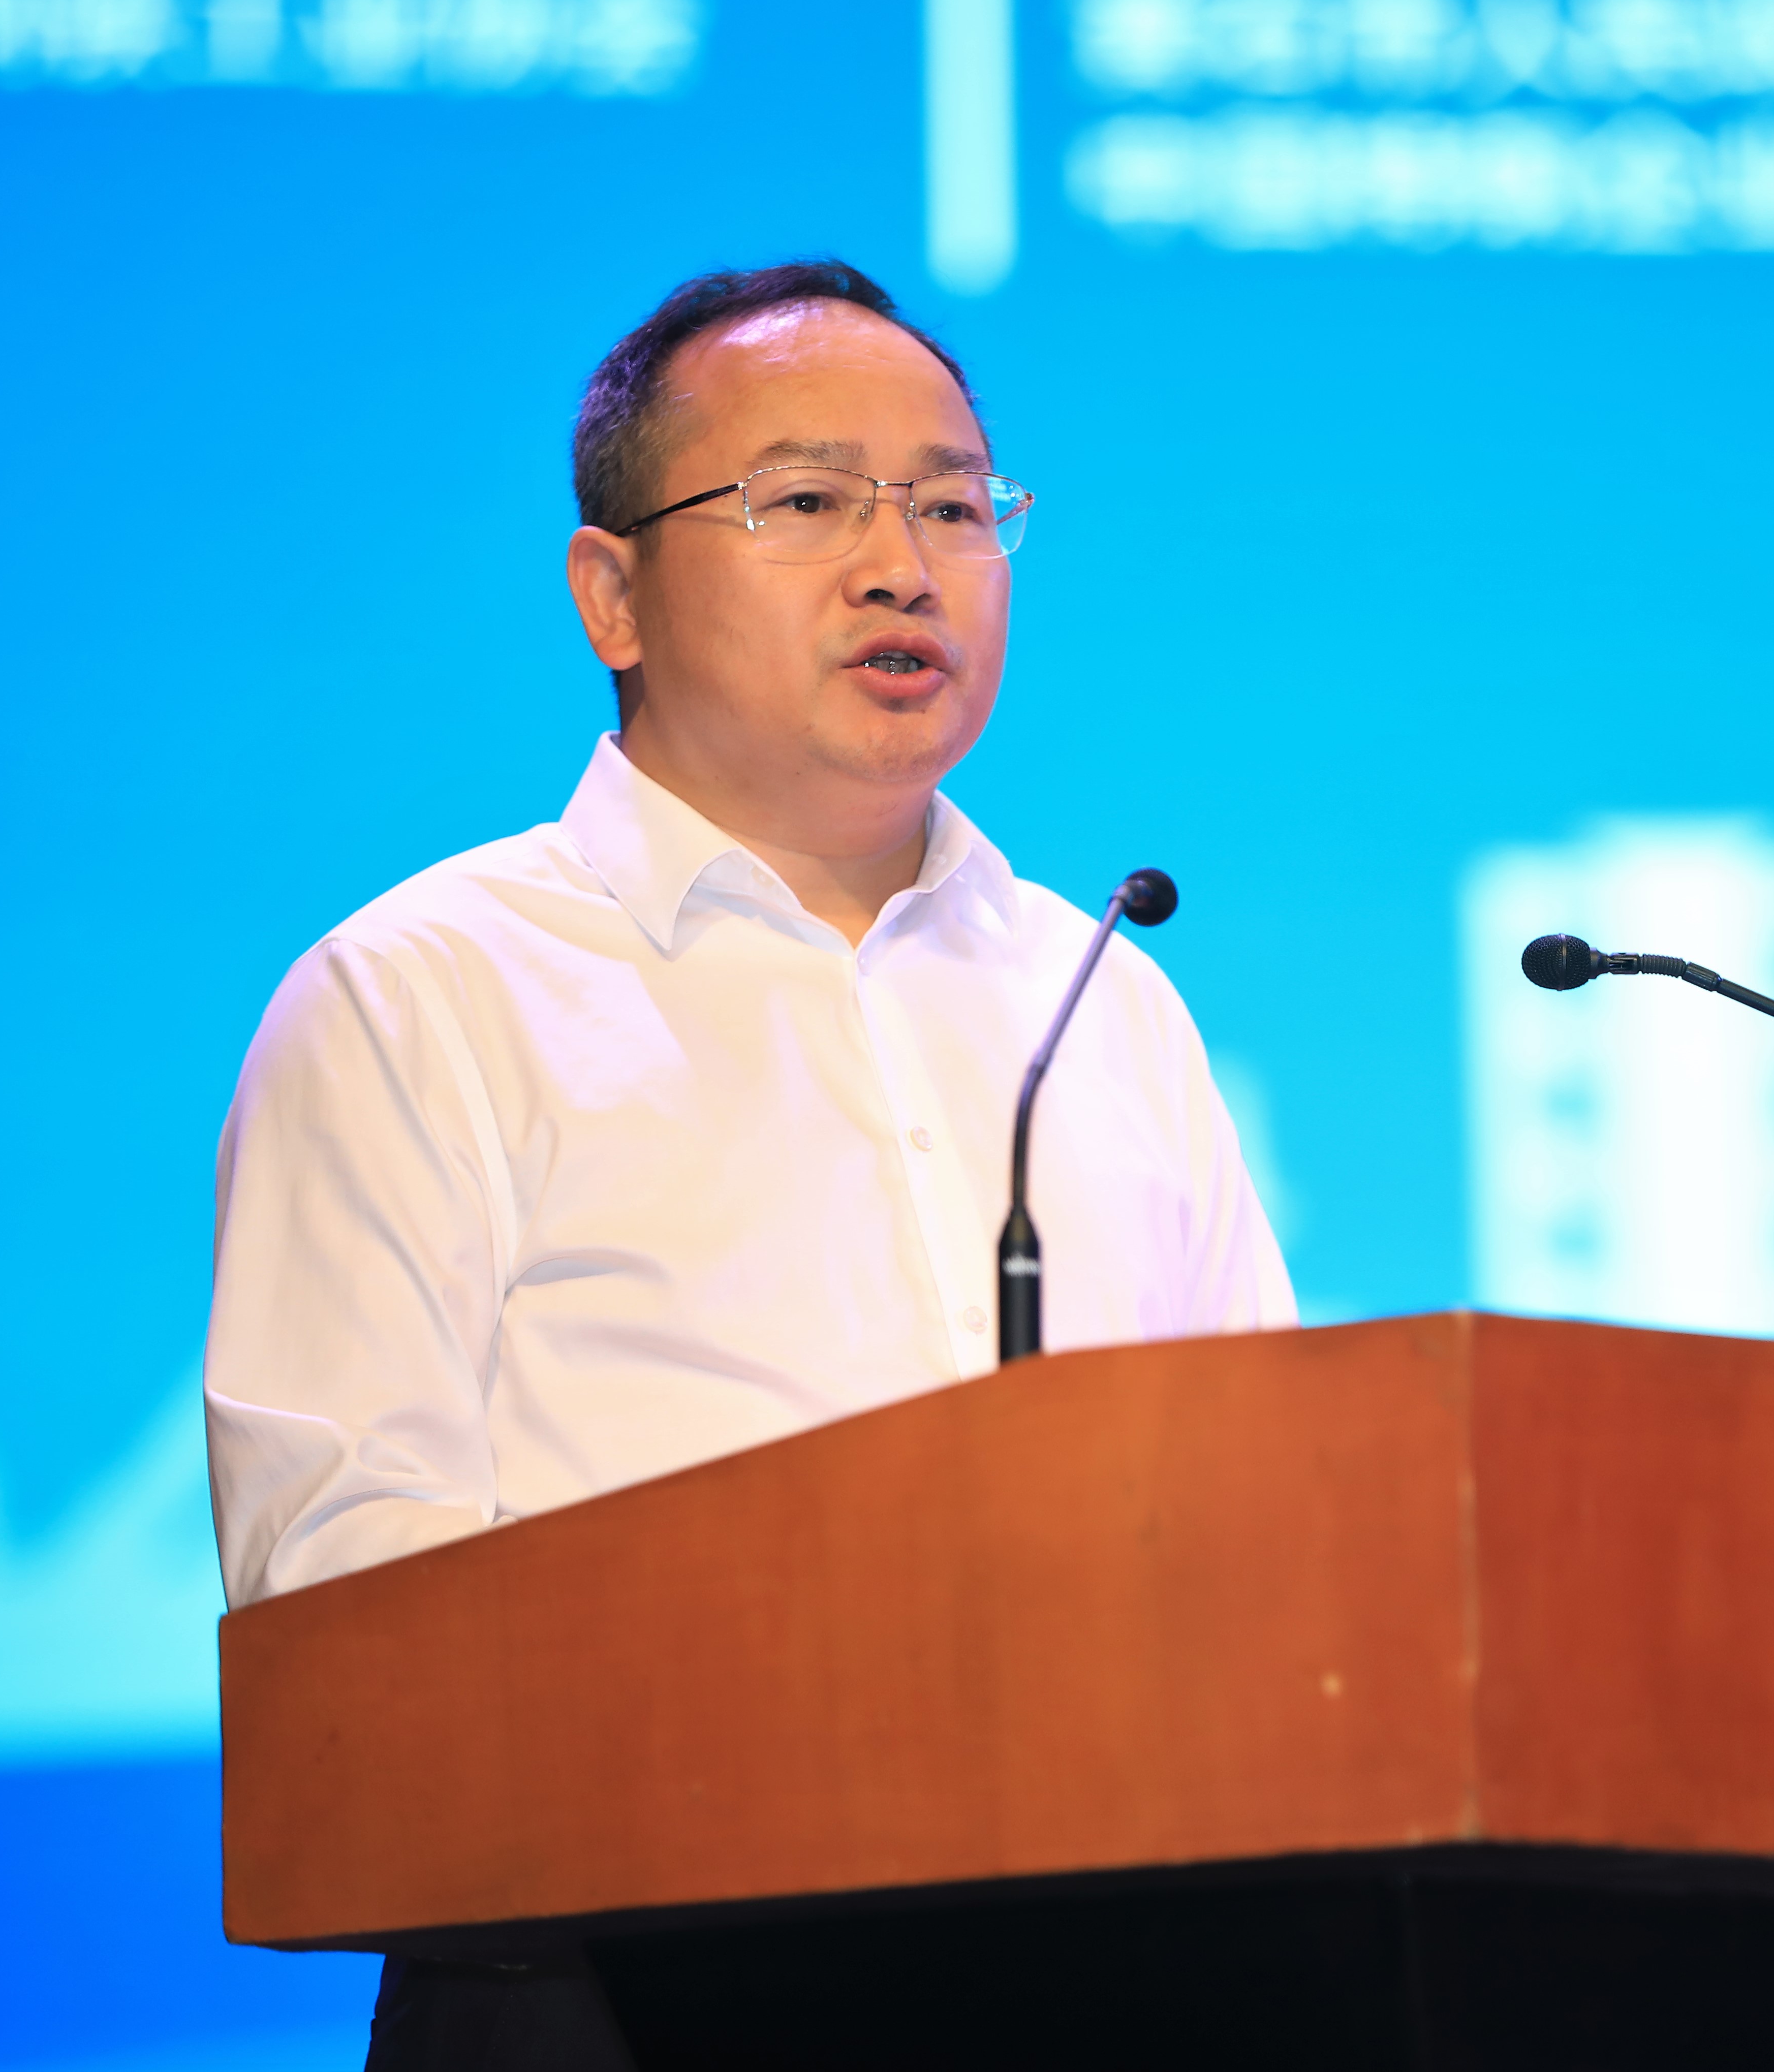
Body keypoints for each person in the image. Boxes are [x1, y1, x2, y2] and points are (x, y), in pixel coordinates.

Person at [201, 259, 1294, 2066]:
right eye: (806, 503)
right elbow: (348, 1626)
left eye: (955, 507)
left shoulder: (1100, 995)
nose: (903, 565)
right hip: (607, 1993)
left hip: (1109, 1976)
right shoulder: (422, 999)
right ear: (612, 594)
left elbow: (1276, 1530)